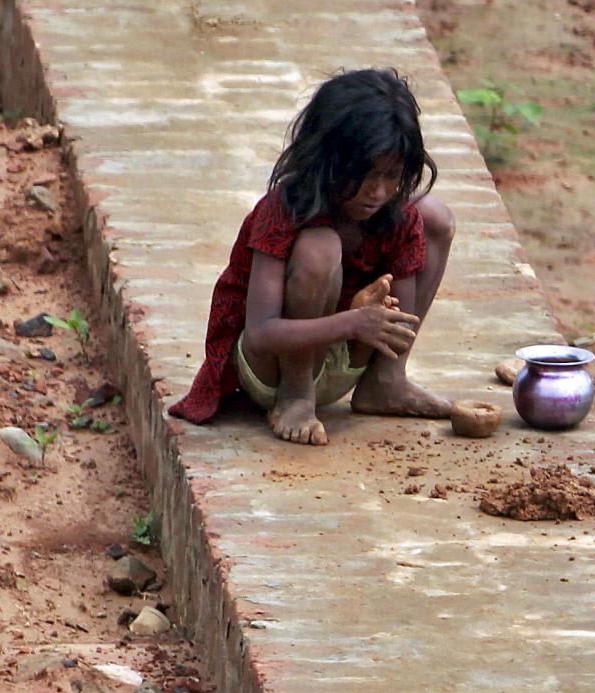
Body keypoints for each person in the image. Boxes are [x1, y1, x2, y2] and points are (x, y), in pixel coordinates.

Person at [167, 68, 457, 444]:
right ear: (328, 161)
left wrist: (371, 315)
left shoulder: (394, 213)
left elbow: (396, 323)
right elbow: (262, 330)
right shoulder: (284, 210)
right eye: (366, 175)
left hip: (343, 354)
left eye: (392, 176)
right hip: (271, 368)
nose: (379, 191)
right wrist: (353, 322)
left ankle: (386, 381)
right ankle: (297, 396)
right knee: (321, 247)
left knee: (435, 218)